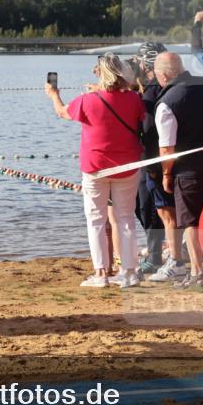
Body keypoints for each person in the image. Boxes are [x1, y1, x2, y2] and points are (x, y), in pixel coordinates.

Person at [46, 53, 145, 288]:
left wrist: (54, 95)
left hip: (95, 167)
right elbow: (132, 108)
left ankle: (101, 273)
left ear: (100, 73)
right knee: (126, 218)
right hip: (127, 165)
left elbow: (62, 112)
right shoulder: (134, 99)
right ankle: (129, 272)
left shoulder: (87, 100)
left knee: (96, 220)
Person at [153, 52, 203, 287]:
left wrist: (167, 174)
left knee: (192, 221)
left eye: (158, 75)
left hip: (187, 170)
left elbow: (167, 148)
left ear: (165, 75)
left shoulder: (167, 103)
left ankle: (198, 273)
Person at [130, 42, 171, 275]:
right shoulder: (149, 88)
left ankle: (155, 256)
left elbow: (147, 129)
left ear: (145, 64)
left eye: (138, 62)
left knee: (148, 207)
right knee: (147, 207)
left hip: (151, 159)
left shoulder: (153, 91)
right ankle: (157, 250)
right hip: (153, 157)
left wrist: (154, 166)